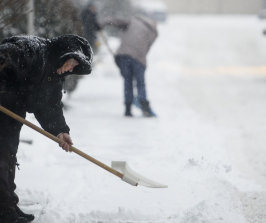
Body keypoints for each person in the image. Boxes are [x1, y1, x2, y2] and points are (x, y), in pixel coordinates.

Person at [0, 34, 93, 223]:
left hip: (12, 112)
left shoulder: (54, 74)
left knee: (8, 155)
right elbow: (2, 59)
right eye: (71, 63)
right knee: (1, 156)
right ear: (62, 54)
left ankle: (8, 204)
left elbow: (50, 105)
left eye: (75, 67)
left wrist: (60, 131)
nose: (71, 68)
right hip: (3, 105)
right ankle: (4, 210)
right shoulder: (31, 50)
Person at [100, 15, 158, 117]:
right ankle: (144, 106)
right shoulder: (153, 32)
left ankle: (128, 109)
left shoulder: (134, 21)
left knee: (128, 82)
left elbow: (116, 21)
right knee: (140, 83)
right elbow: (146, 48)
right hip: (139, 58)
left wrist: (102, 23)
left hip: (124, 55)